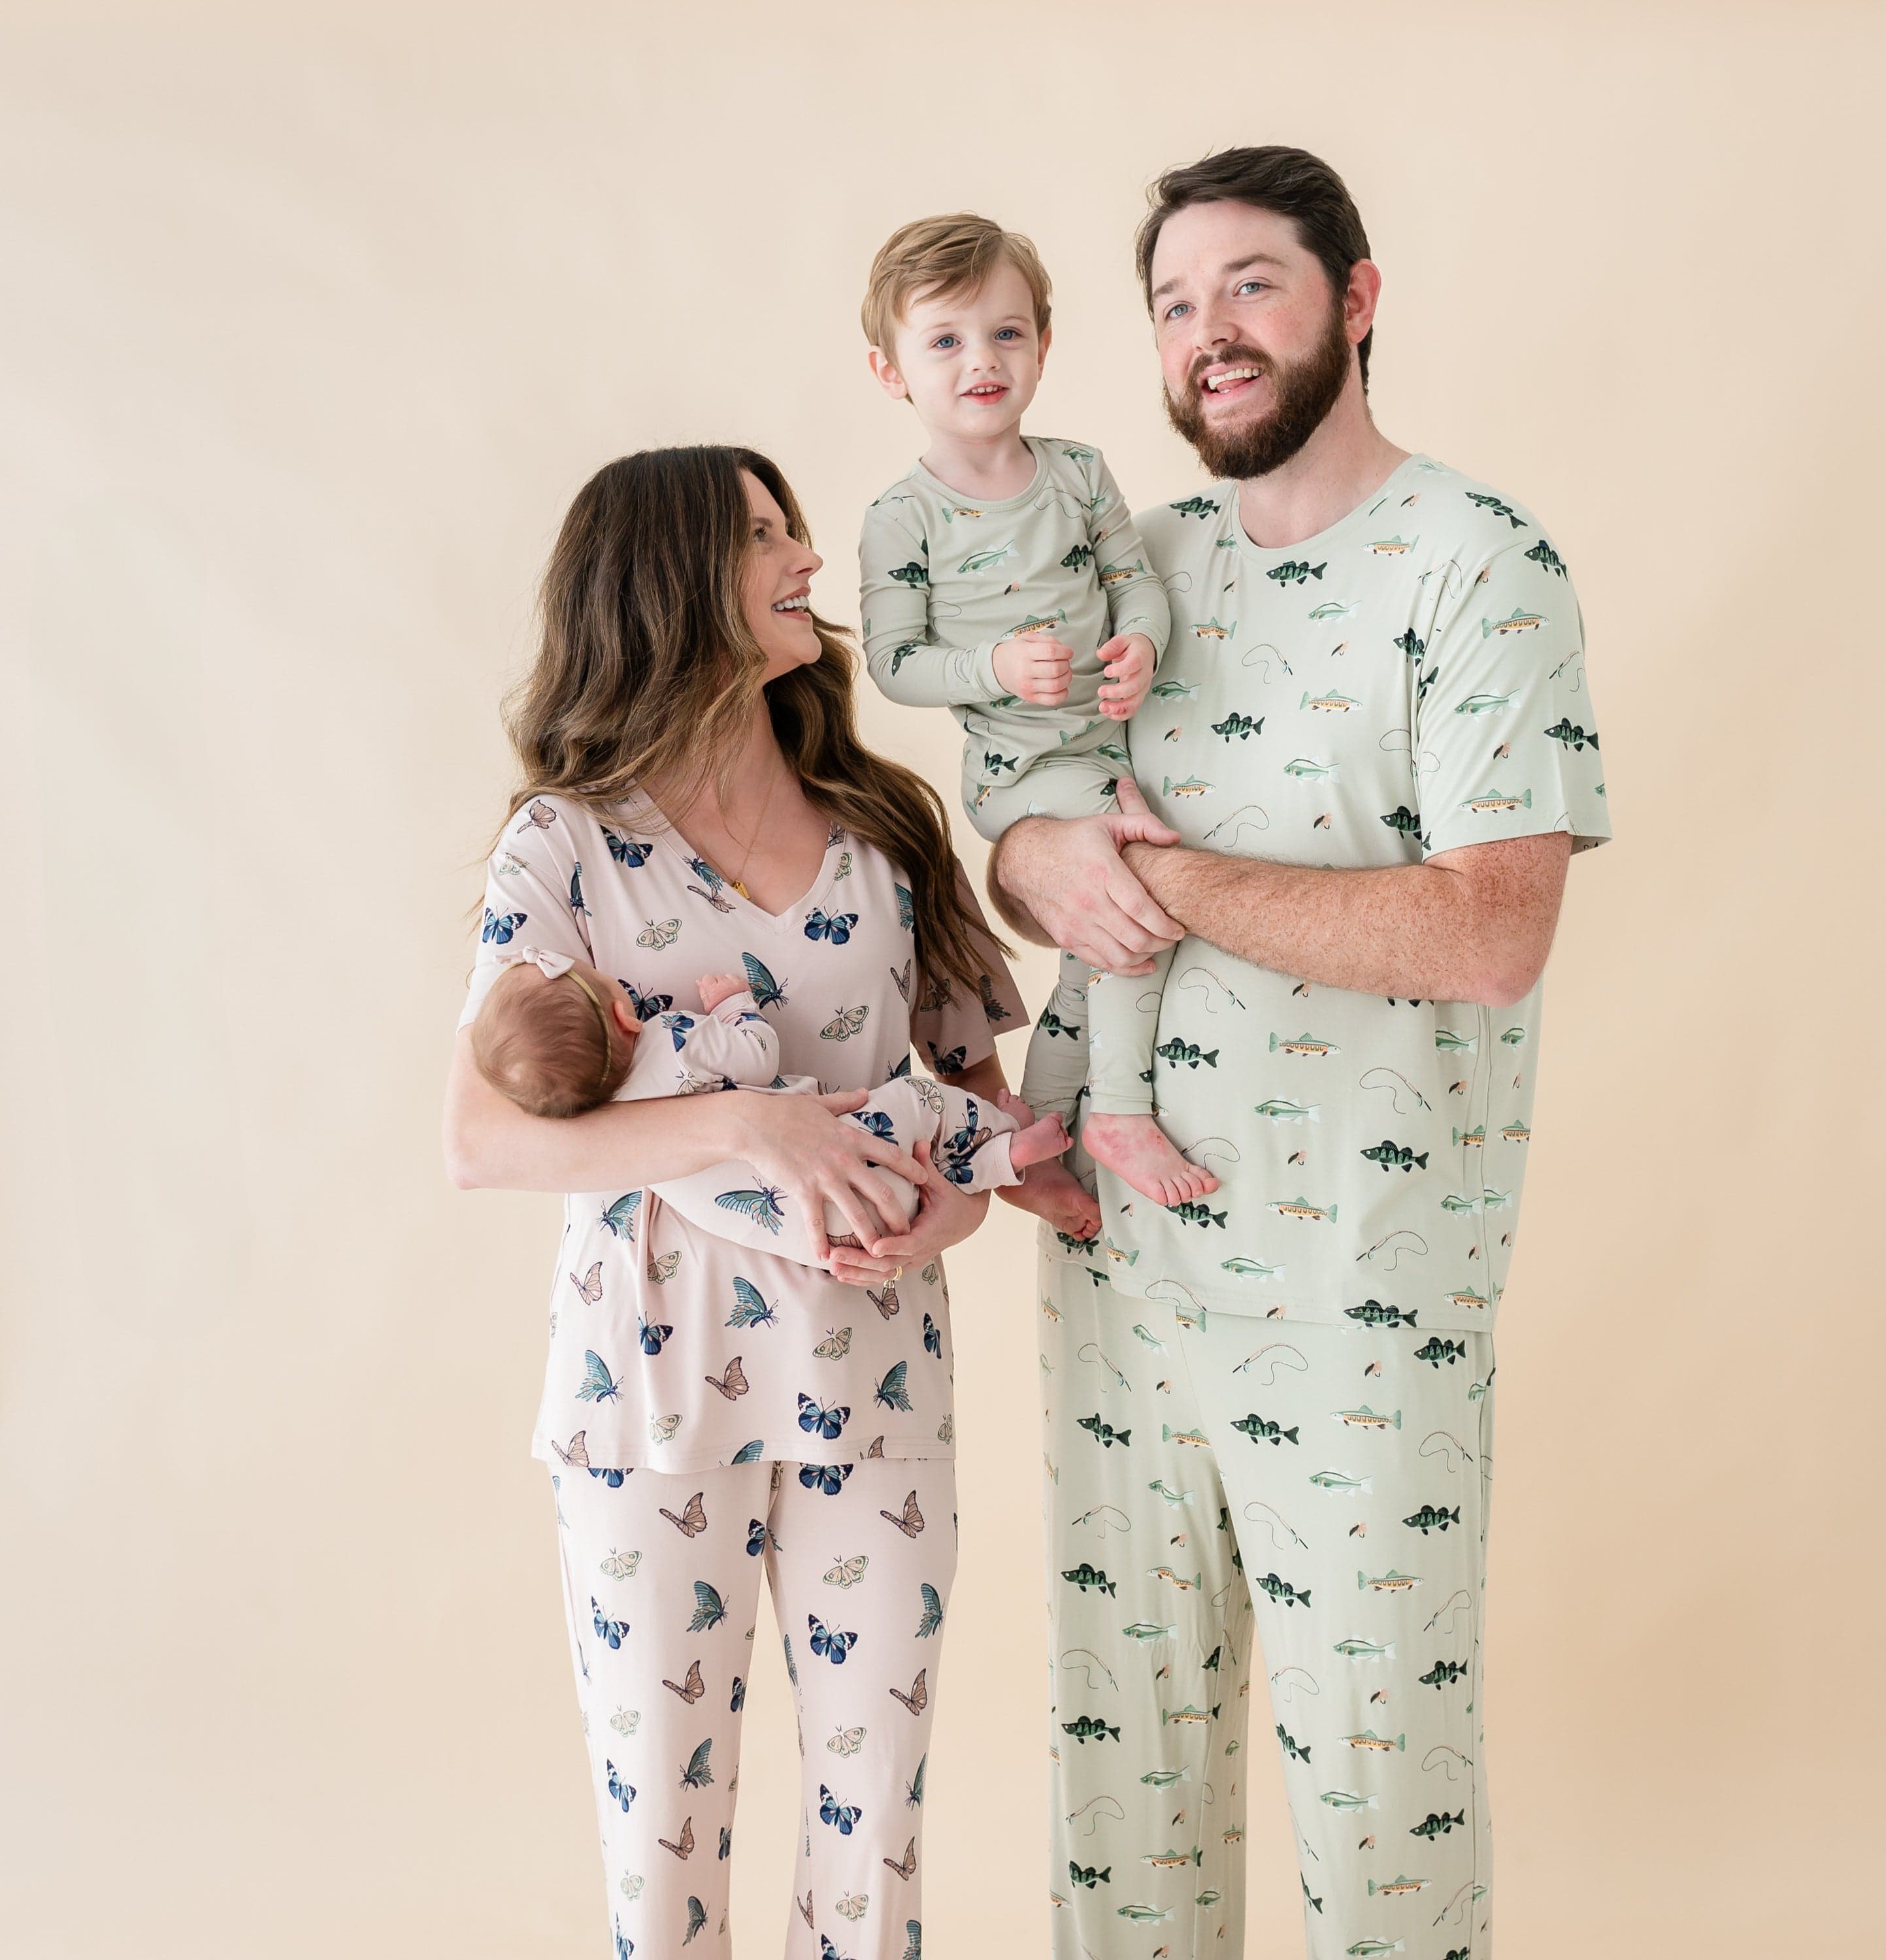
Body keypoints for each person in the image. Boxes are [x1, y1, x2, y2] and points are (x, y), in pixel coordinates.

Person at [985, 147, 1613, 1960]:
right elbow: (1025, 835)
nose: (1209, 333)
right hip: (1120, 1262)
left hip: (1359, 1288)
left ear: (1357, 296)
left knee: (1378, 1791)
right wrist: (1037, 857)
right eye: (1174, 304)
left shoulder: (1479, 563)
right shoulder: (1137, 567)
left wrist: (1161, 879)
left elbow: (1488, 930)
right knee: (1124, 1794)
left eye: (1250, 284)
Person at [443, 446, 1031, 1960]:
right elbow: (482, 1140)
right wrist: (750, 1121)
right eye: (765, 534)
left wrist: (948, 1215)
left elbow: (987, 1111)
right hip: (648, 1396)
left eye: (793, 528)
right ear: (670, 577)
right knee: (663, 1847)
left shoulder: (887, 828)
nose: (805, 558)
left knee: (873, 1839)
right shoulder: (564, 844)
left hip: (875, 1380)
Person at [858, 212, 1216, 1218]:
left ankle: (1033, 1133)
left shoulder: (1079, 473)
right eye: (945, 341)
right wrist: (994, 667)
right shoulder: (903, 517)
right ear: (891, 372)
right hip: (1020, 771)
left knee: (1088, 954)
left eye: (1007, 333)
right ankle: (1123, 1111)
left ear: (1044, 345)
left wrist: (1141, 644)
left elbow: (1135, 584)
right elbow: (894, 662)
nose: (982, 360)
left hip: (1110, 744)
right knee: (1134, 904)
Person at [469, 945, 1070, 1262]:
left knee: (918, 1166)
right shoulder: (672, 1039)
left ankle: (1004, 1161)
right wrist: (734, 1007)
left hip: (821, 1237)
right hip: (862, 1152)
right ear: (625, 1015)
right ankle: (1004, 1140)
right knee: (921, 1104)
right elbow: (757, 1057)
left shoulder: (622, 1136)